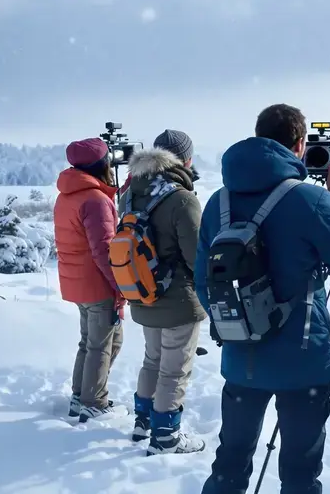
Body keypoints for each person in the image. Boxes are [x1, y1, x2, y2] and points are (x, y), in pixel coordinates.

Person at [197, 104, 330, 494]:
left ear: (258, 136)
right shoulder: (311, 199)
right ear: (300, 145)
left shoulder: (218, 202)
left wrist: (238, 325)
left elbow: (203, 281)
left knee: (230, 461)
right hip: (303, 361)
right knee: (300, 472)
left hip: (241, 359)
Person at [124, 130, 206, 454]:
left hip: (143, 293)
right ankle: (166, 436)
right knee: (175, 369)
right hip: (178, 301)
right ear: (186, 160)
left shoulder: (130, 193)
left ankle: (143, 421)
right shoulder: (182, 199)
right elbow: (197, 258)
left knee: (153, 359)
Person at [55, 138, 124, 422]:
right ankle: (93, 402)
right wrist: (121, 286)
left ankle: (80, 395)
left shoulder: (67, 194)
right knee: (103, 344)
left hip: (77, 282)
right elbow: (104, 251)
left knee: (91, 342)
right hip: (97, 284)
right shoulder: (95, 200)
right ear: (102, 164)